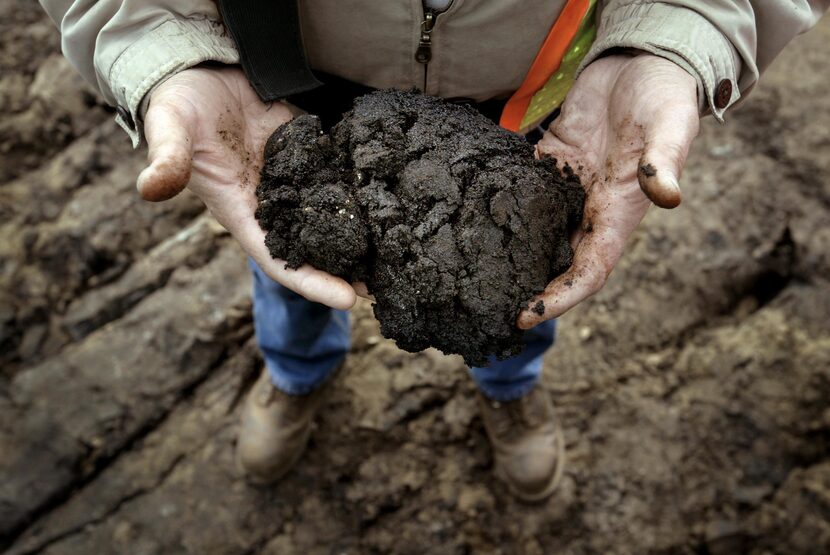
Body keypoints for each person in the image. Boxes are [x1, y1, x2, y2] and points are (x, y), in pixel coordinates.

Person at [38, 0, 828, 502]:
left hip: (539, 101)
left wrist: (676, 31)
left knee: (531, 277)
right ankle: (297, 372)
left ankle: (509, 386)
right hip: (292, 87)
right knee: (294, 262)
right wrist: (163, 41)